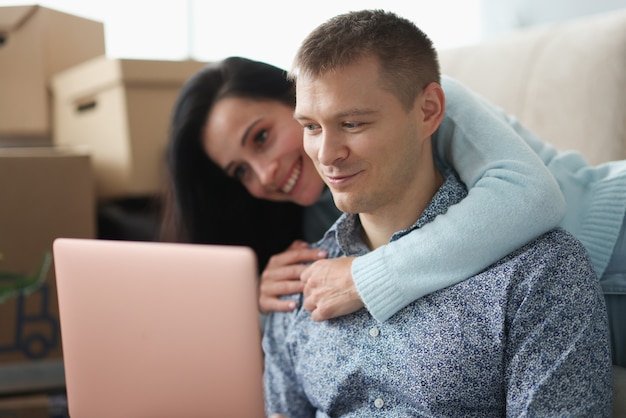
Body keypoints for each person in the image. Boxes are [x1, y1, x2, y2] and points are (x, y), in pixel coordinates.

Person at [162, 51, 626, 366]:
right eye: (240, 172)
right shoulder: (316, 223)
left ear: (299, 99)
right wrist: (269, 304)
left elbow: (533, 197)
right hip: (566, 322)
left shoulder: (416, 104)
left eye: (261, 137)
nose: (263, 175)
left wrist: (365, 276)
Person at [262, 9, 613, 416]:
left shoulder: (537, 271)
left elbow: (537, 197)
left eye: (353, 123)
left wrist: (368, 277)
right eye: (311, 126)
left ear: (429, 111)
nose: (326, 155)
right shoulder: (300, 289)